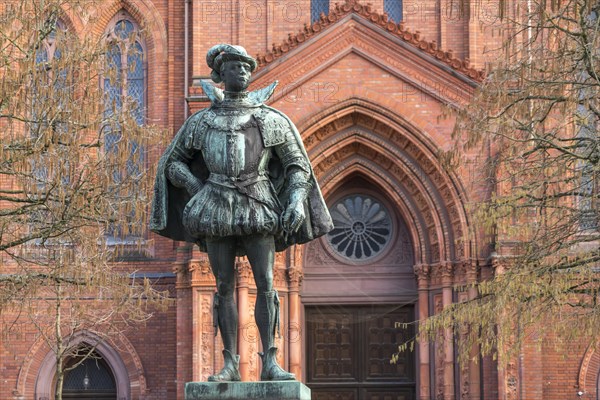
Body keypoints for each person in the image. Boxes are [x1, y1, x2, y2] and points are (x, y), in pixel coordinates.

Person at [150, 44, 333, 381]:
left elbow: (298, 167)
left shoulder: (269, 119)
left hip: (258, 203)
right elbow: (173, 161)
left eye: (247, 67)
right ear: (221, 74)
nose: (244, 72)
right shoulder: (202, 121)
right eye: (236, 67)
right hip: (216, 205)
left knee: (266, 282)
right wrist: (195, 188)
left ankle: (271, 361)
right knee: (222, 285)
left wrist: (293, 201)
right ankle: (230, 362)